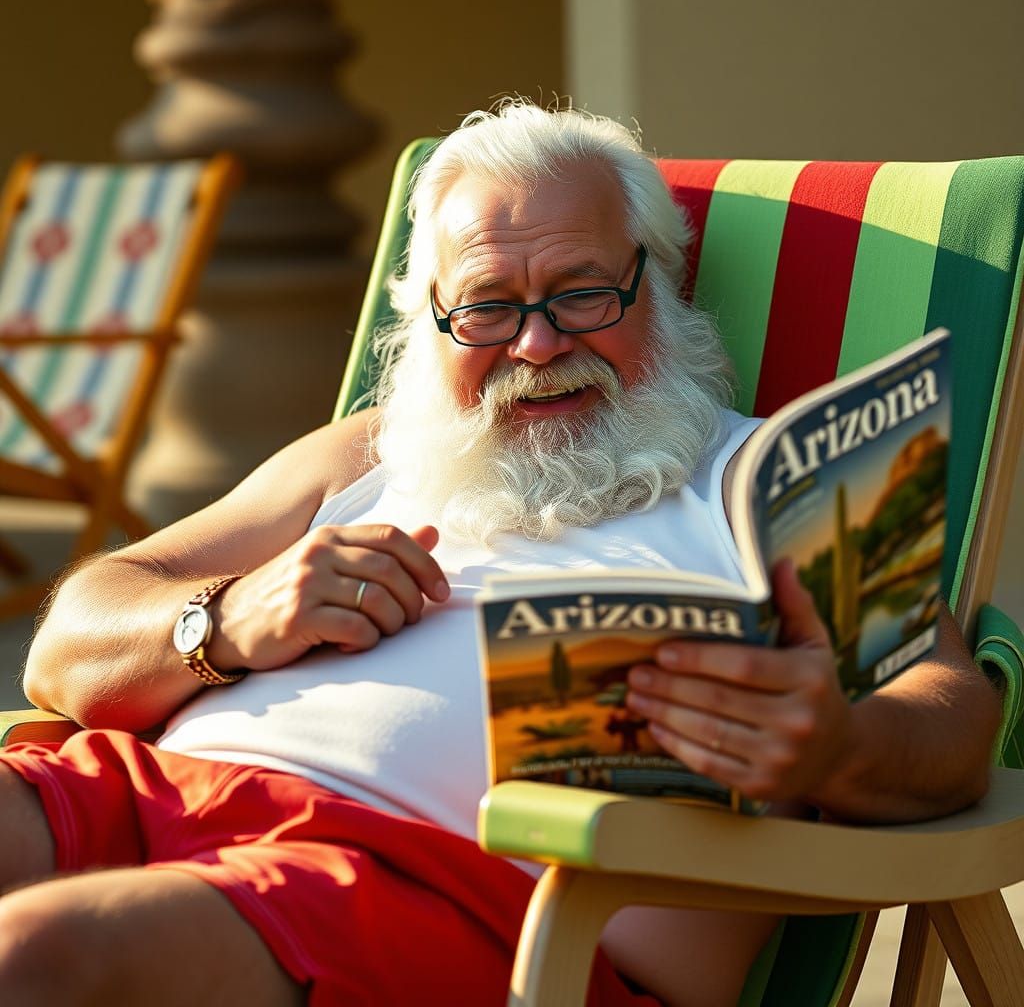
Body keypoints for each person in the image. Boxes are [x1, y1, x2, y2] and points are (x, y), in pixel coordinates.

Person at [0, 100, 1001, 1007]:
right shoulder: (366, 452)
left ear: (658, 284)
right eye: (486, 306)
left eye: (581, 293)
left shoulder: (780, 479)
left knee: (36, 954)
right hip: (143, 792)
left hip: (446, 896)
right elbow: (70, 643)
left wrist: (832, 748)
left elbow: (950, 717)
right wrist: (225, 618)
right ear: (426, 320)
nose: (534, 344)